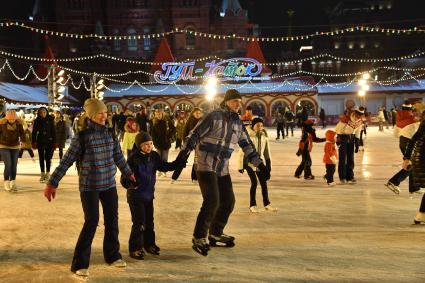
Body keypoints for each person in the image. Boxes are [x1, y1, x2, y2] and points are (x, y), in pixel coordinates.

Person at [43, 98, 135, 278]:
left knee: (112, 220)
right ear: (91, 116)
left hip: (108, 184)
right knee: (92, 221)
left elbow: (118, 156)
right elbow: (67, 160)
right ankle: (80, 262)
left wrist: (128, 173)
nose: (104, 116)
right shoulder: (82, 136)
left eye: (105, 112)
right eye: (99, 113)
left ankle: (112, 255)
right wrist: (52, 182)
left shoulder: (110, 133)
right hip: (89, 186)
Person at [175, 89, 269, 256]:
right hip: (205, 165)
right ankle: (198, 237)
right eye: (234, 101)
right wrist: (184, 153)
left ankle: (215, 232)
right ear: (226, 102)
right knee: (212, 201)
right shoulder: (214, 116)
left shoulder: (238, 123)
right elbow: (195, 134)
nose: (238, 104)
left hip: (222, 168)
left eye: (239, 102)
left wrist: (259, 164)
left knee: (228, 201)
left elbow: (247, 144)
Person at [121, 132, 181, 260]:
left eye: (150, 144)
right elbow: (124, 178)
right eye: (146, 145)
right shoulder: (133, 158)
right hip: (136, 196)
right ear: (139, 146)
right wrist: (130, 183)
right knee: (139, 223)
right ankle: (135, 248)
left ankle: (149, 244)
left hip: (148, 195)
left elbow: (163, 167)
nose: (149, 147)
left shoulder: (153, 156)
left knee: (149, 222)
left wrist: (177, 163)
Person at [238, 117, 276, 213]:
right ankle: (252, 205)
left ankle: (267, 204)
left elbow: (267, 152)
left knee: (263, 183)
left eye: (261, 125)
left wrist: (268, 164)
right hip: (249, 163)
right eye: (258, 125)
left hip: (260, 163)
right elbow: (241, 152)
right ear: (253, 126)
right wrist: (241, 166)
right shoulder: (248, 137)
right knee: (254, 183)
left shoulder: (264, 137)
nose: (260, 127)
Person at [385, 103, 420, 194]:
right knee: (412, 164)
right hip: (410, 142)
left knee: (411, 163)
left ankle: (414, 187)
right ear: (411, 109)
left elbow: (395, 134)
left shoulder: (399, 119)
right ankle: (394, 181)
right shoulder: (414, 119)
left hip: (402, 142)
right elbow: (419, 133)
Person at [402, 104, 425, 224]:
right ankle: (421, 215)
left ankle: (421, 215)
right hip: (422, 158)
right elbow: (414, 139)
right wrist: (406, 158)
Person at [171, 107, 203, 183]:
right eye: (196, 113)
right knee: (182, 159)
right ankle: (174, 177)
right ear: (193, 114)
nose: (198, 114)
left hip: (199, 143)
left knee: (197, 160)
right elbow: (185, 132)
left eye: (199, 113)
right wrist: (185, 142)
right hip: (189, 143)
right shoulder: (190, 121)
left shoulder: (202, 122)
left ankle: (194, 177)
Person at [335, 106, 364, 184]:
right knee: (342, 158)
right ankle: (342, 177)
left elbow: (358, 131)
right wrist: (339, 138)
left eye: (361, 114)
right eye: (358, 114)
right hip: (343, 138)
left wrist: (357, 141)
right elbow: (337, 128)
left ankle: (350, 176)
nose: (359, 116)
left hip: (351, 138)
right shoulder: (346, 119)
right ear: (355, 113)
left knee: (351, 158)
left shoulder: (360, 121)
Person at [0, 110, 26, 192]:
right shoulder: (2, 124)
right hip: (4, 146)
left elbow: (22, 133)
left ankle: (13, 181)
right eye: (10, 119)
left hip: (15, 146)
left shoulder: (19, 124)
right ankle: (6, 181)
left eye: (13, 119)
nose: (11, 120)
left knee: (14, 165)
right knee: (8, 164)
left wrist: (23, 141)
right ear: (6, 118)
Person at [32, 107, 56, 182]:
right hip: (40, 141)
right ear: (39, 113)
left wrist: (55, 142)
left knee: (48, 158)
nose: (43, 114)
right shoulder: (37, 120)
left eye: (44, 112)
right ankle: (42, 174)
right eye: (41, 112)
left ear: (46, 112)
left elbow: (53, 131)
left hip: (49, 141)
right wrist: (33, 141)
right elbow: (34, 132)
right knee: (41, 158)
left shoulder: (50, 119)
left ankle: (48, 174)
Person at [150, 109, 175, 177]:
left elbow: (173, 129)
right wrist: (154, 142)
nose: (158, 116)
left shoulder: (166, 121)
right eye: (157, 114)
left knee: (164, 158)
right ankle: (160, 170)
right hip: (158, 143)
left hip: (166, 143)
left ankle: (164, 170)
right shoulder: (155, 122)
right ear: (155, 115)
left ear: (162, 114)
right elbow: (153, 134)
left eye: (159, 114)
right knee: (159, 158)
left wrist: (169, 135)